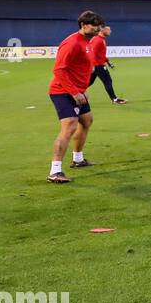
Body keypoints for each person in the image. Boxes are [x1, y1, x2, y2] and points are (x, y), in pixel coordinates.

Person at [47, 10, 103, 183]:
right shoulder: (72, 43)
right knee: (70, 126)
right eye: (94, 27)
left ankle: (77, 159)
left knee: (86, 121)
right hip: (62, 91)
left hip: (79, 91)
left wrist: (83, 90)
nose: (97, 30)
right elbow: (58, 70)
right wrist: (74, 91)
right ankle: (55, 171)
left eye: (99, 27)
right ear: (83, 25)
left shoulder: (88, 42)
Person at [87, 24, 125, 104]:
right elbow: (92, 53)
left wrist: (108, 61)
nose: (110, 31)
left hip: (97, 65)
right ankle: (114, 99)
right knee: (107, 81)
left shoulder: (101, 39)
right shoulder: (98, 40)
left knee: (88, 82)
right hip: (98, 65)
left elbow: (100, 54)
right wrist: (92, 65)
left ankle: (73, 93)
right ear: (102, 30)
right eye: (108, 29)